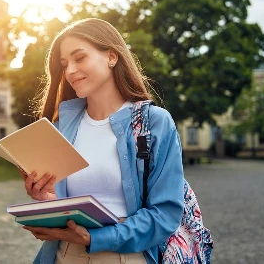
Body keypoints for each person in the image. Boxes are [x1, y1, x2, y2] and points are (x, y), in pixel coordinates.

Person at [18, 18, 184, 264]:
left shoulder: (154, 123)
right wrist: (47, 201)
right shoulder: (59, 129)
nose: (70, 70)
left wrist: (97, 238)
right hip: (64, 255)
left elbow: (165, 214)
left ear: (112, 57)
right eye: (65, 64)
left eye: (80, 58)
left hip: (126, 257)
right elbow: (69, 205)